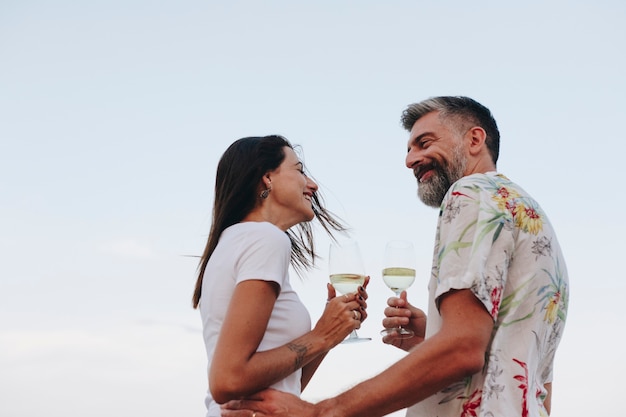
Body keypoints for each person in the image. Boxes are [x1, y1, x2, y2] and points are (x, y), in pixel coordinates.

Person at [221, 97, 570, 417]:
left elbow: (463, 349)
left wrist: (324, 411)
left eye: (425, 142)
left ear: (475, 140)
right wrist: (431, 337)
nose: (409, 160)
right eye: (408, 148)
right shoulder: (535, 220)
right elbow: (534, 384)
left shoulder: (469, 193)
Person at [192, 135, 369, 417]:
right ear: (267, 178)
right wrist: (322, 336)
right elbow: (228, 380)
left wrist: (332, 333)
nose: (313, 184)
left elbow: (287, 386)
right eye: (299, 171)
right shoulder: (266, 239)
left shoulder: (234, 240)